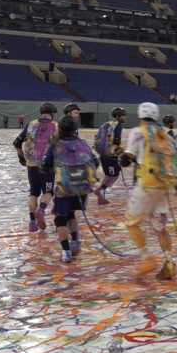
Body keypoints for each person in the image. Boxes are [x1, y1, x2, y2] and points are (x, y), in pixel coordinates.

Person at [120, 102, 177, 280]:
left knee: (131, 222)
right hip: (164, 186)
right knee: (160, 228)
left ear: (140, 116)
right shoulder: (165, 135)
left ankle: (146, 259)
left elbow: (127, 158)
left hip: (146, 184)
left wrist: (122, 157)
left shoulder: (138, 132)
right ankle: (169, 263)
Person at [40, 116, 98, 263]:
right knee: (72, 214)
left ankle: (66, 252)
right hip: (82, 187)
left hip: (65, 188)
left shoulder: (56, 144)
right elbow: (95, 162)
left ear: (59, 129)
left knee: (60, 219)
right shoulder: (82, 143)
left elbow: (46, 166)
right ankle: (76, 241)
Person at [13, 102, 59, 232]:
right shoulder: (55, 126)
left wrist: (21, 157)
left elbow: (17, 142)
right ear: (52, 113)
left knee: (34, 192)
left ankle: (32, 222)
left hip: (31, 164)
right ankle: (41, 210)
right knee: (48, 192)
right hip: (46, 165)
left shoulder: (31, 124)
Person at [93, 107, 127, 205]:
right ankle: (100, 190)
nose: (124, 118)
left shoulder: (107, 123)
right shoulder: (118, 125)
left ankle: (101, 198)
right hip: (110, 155)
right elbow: (116, 141)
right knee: (114, 175)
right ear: (117, 116)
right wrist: (121, 152)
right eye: (122, 116)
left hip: (102, 154)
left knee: (107, 175)